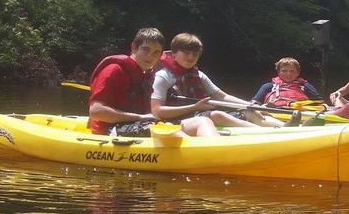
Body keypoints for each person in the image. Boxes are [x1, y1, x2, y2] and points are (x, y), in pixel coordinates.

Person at [150, 33, 282, 134]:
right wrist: (194, 107)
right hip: (175, 121)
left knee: (250, 112)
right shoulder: (163, 76)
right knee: (217, 114)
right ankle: (269, 134)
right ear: (173, 54)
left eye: (195, 54)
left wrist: (252, 106)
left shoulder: (199, 75)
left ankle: (288, 128)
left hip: (198, 113)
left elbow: (222, 96)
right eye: (186, 53)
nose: (191, 58)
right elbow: (158, 111)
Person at [87, 27, 199, 137]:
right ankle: (199, 154)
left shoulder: (147, 75)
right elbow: (96, 111)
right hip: (109, 131)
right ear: (134, 48)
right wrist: (139, 117)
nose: (150, 56)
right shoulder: (113, 70)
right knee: (164, 130)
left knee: (201, 122)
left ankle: (212, 151)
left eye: (156, 53)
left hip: (139, 124)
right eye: (146, 50)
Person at [251, 57, 324, 107]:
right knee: (251, 112)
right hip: (273, 111)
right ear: (278, 73)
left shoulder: (305, 86)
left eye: (292, 71)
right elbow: (255, 102)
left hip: (298, 111)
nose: (288, 74)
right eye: (284, 71)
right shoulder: (268, 86)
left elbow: (319, 102)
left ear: (298, 73)